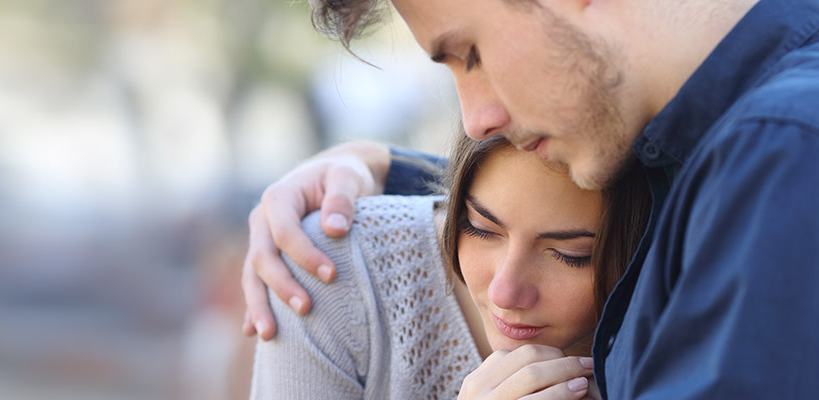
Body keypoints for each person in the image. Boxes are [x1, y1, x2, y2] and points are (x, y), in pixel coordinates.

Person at [243, 0, 819, 397]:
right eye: (479, 225)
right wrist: (387, 167)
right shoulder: (734, 154)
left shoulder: (782, 159)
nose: (477, 119)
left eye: (471, 54)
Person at [250, 134, 649, 398]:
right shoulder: (334, 269)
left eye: (570, 255)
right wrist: (376, 160)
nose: (503, 293)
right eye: (480, 228)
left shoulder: (672, 323)